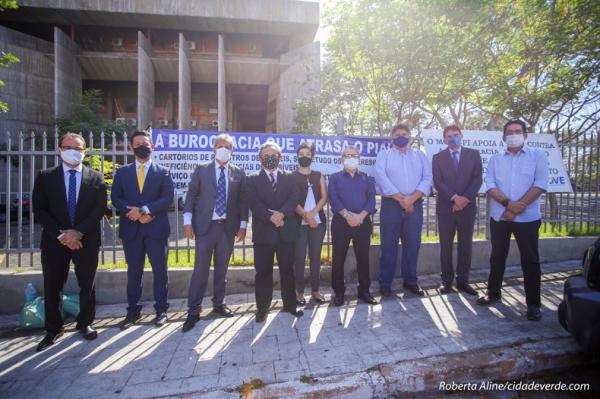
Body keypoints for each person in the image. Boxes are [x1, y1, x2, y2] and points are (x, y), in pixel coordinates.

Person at [32, 132, 107, 351]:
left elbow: (99, 209)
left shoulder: (95, 177)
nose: (74, 151)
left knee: (87, 283)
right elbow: (40, 209)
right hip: (56, 242)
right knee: (53, 285)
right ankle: (53, 329)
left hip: (86, 240)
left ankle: (85, 323)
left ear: (84, 151)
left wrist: (78, 232)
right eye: (69, 147)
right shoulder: (45, 177)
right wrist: (62, 234)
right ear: (60, 149)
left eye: (79, 148)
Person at [477, 120, 548, 321]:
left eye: (518, 131)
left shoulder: (537, 157)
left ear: (525, 135)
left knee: (530, 260)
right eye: (510, 132)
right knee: (497, 256)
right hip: (501, 217)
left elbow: (540, 184)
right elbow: (489, 184)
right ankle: (493, 293)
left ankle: (533, 304)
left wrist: (518, 208)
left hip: (528, 218)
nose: (514, 134)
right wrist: (509, 204)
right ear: (503, 137)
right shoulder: (495, 159)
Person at [181, 134, 248, 332]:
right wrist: (187, 222)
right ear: (213, 149)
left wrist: (243, 225)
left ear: (232, 151)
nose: (223, 149)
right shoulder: (202, 170)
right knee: (200, 270)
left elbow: (243, 201)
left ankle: (219, 303)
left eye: (227, 147)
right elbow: (191, 195)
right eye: (220, 146)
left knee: (222, 270)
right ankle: (193, 310)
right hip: (205, 227)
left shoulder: (238, 173)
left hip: (227, 229)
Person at [111, 130, 175, 329]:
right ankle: (132, 310)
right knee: (134, 271)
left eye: (145, 143)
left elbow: (167, 198)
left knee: (160, 271)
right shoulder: (122, 172)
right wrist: (134, 213)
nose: (142, 146)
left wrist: (145, 210)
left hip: (156, 229)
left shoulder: (163, 171)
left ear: (152, 146)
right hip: (132, 230)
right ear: (131, 147)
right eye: (137, 143)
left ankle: (161, 309)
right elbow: (116, 198)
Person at [246, 141, 303, 322]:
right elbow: (254, 203)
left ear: (280, 157)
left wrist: (282, 215)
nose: (269, 158)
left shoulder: (290, 177)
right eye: (266, 155)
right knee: (263, 272)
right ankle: (263, 308)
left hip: (286, 232)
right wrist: (271, 217)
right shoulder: (252, 179)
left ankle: (290, 305)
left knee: (288, 270)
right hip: (264, 233)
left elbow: (294, 197)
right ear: (259, 158)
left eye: (273, 155)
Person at [374, 124, 432, 297]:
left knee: (412, 245)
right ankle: (385, 282)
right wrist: (401, 199)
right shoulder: (384, 155)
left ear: (410, 136)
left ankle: (411, 281)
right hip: (391, 205)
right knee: (388, 246)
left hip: (415, 205)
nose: (401, 137)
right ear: (392, 138)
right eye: (397, 134)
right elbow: (380, 177)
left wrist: (412, 199)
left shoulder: (419, 156)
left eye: (404, 134)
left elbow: (427, 178)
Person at [432, 125, 482, 295]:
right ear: (444, 139)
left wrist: (464, 199)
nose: (453, 138)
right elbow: (438, 182)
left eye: (456, 135)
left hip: (467, 208)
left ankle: (463, 281)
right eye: (449, 136)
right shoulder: (437, 157)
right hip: (446, 208)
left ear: (461, 136)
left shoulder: (473, 154)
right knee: (445, 246)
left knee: (465, 245)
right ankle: (446, 281)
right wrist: (454, 198)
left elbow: (477, 179)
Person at [328, 145, 378, 306]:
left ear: (359, 158)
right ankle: (339, 292)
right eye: (348, 155)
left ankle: (364, 291)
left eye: (354, 155)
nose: (351, 158)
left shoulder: (367, 178)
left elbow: (371, 200)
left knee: (363, 258)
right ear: (342, 158)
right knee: (338, 259)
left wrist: (360, 216)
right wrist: (348, 216)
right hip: (341, 223)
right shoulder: (335, 178)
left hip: (362, 223)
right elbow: (334, 200)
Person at [292, 142, 328, 305]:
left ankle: (316, 291)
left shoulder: (318, 175)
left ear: (312, 156)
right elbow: (291, 200)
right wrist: (306, 216)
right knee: (299, 257)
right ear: (297, 156)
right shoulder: (291, 176)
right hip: (299, 223)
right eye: (301, 154)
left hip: (318, 223)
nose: (304, 156)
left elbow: (324, 197)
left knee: (315, 257)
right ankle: (299, 292)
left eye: (307, 153)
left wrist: (313, 214)